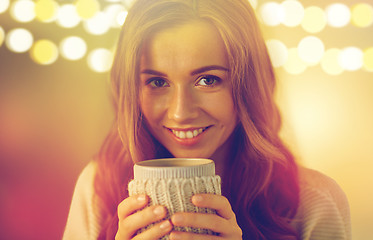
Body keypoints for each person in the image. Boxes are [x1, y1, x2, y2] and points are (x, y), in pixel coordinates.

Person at [63, 0, 351, 239]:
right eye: (157, 82)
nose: (180, 112)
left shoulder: (313, 203)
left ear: (248, 85)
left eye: (208, 79)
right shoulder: (99, 186)